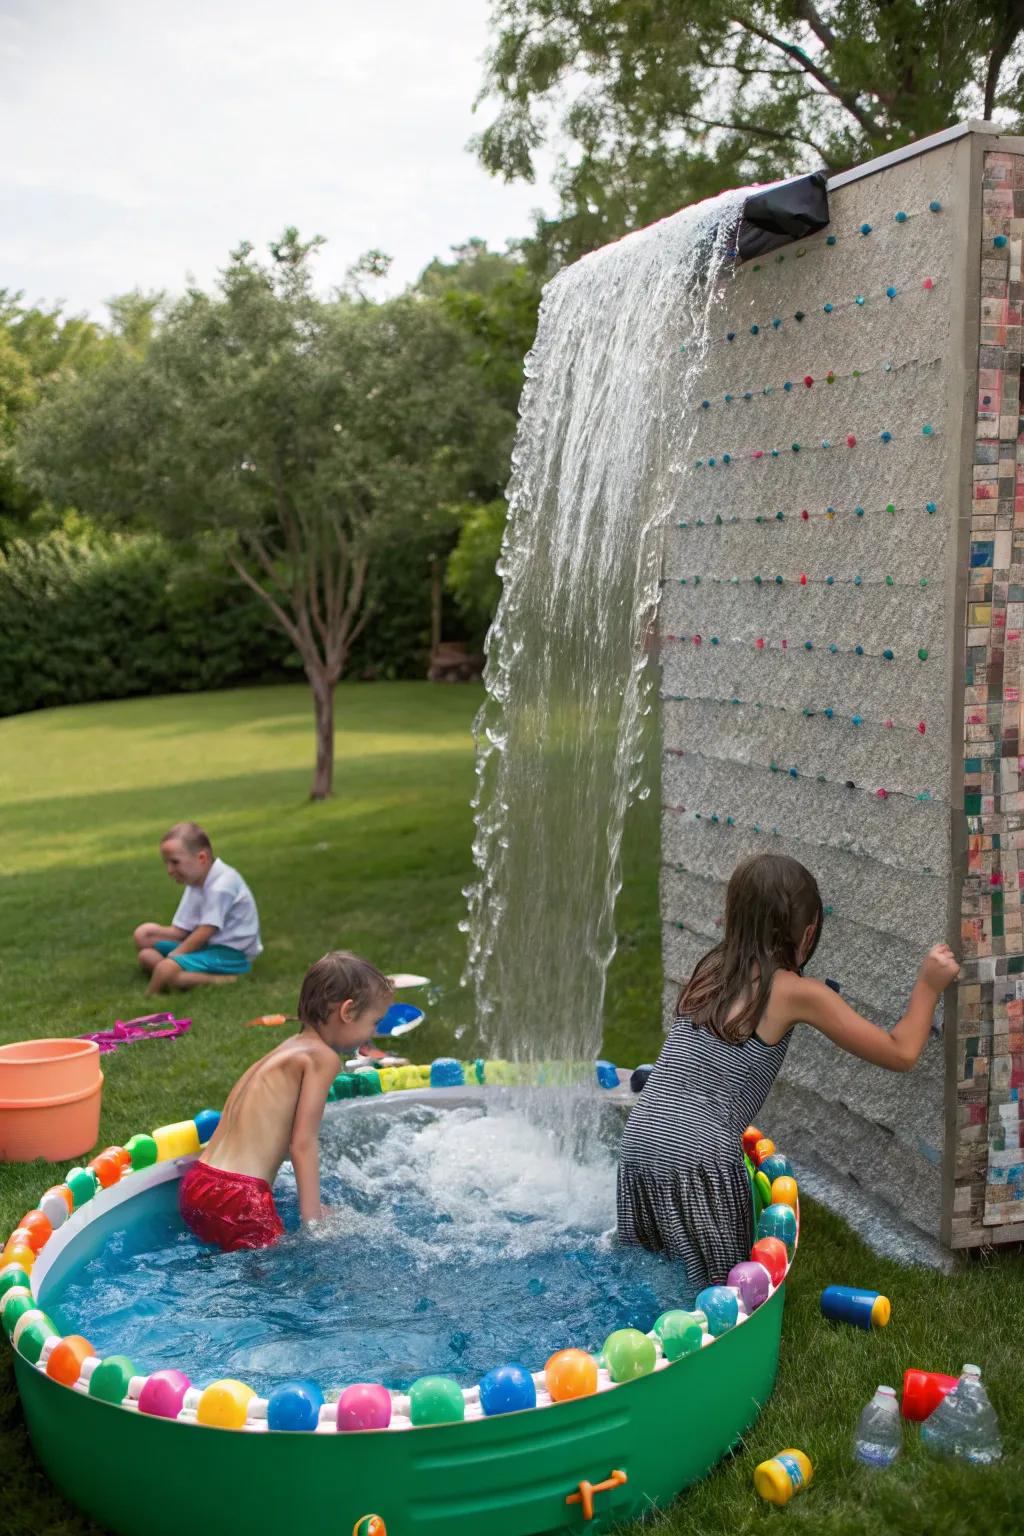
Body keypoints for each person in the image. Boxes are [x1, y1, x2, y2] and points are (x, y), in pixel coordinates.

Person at [617, 853, 959, 1293]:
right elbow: (901, 1050)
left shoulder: (711, 969)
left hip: (642, 1137)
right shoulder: (795, 992)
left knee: (645, 1277)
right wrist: (929, 985)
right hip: (698, 1156)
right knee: (721, 1299)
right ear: (809, 931)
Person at [179, 951, 394, 1250]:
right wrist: (313, 1218)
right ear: (347, 1011)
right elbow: (302, 1142)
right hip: (238, 1196)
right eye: (374, 1022)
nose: (373, 1033)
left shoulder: (285, 1051)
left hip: (198, 1185)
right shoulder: (322, 1058)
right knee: (271, 1279)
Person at [133, 822, 262, 994]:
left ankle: (219, 980)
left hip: (231, 954)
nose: (169, 870)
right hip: (208, 945)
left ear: (201, 858)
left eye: (175, 862)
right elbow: (184, 930)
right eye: (166, 863)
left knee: (166, 967)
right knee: (145, 955)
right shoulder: (196, 881)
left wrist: (174, 957)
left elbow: (204, 931)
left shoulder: (222, 885)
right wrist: (151, 933)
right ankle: (178, 978)